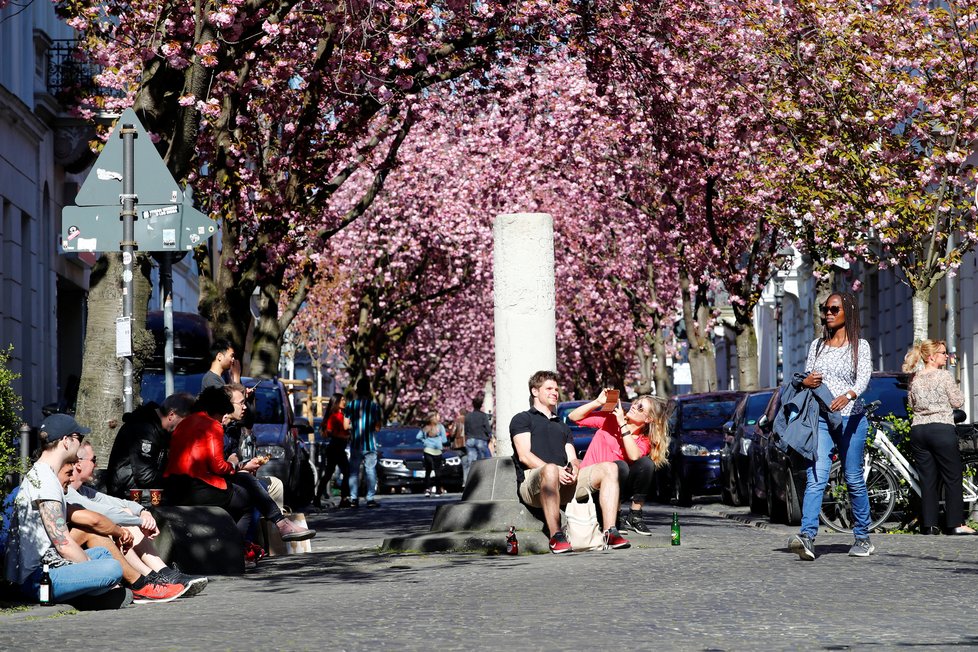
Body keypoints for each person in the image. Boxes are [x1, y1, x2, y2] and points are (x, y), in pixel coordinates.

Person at [3, 414, 131, 608]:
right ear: (65, 441)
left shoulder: (45, 474)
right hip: (39, 578)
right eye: (78, 438)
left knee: (103, 554)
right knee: (112, 568)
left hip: (52, 566)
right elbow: (63, 544)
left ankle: (89, 594)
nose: (80, 445)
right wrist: (89, 566)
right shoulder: (45, 482)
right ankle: (88, 596)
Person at [164, 386, 315, 546]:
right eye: (223, 413)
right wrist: (237, 464)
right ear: (218, 410)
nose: (223, 418)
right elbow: (219, 467)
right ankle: (240, 548)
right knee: (246, 499)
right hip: (198, 488)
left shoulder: (186, 422)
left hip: (174, 485)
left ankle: (281, 524)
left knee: (245, 480)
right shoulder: (211, 425)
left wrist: (238, 468)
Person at [787, 291, 873, 561]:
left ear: (848, 311)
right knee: (816, 477)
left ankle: (863, 537)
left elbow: (863, 379)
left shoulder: (861, 346)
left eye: (834, 309)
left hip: (851, 419)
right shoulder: (817, 346)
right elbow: (809, 375)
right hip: (821, 419)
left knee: (853, 479)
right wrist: (806, 382)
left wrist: (848, 395)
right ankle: (807, 536)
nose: (828, 313)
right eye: (826, 309)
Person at [510, 370, 629, 554]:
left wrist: (574, 467)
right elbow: (524, 455)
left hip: (565, 482)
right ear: (535, 391)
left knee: (610, 468)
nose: (554, 393)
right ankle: (556, 536)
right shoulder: (523, 419)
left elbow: (573, 457)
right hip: (534, 483)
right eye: (549, 388)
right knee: (549, 469)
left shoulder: (562, 425)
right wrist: (555, 470)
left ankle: (610, 532)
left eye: (556, 389)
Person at [69, 442, 209, 596]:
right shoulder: (67, 492)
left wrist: (143, 512)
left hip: (88, 547)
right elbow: (104, 513)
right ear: (78, 464)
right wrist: (139, 521)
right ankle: (147, 580)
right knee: (118, 520)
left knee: (125, 512)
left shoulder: (84, 490)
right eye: (93, 460)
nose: (96, 465)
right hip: (70, 552)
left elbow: (121, 503)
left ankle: (161, 574)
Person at [568, 391, 671, 536]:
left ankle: (634, 515)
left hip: (612, 490)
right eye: (636, 403)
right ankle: (615, 516)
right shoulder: (610, 420)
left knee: (646, 464)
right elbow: (573, 417)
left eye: (640, 408)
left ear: (648, 419)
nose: (634, 407)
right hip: (590, 484)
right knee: (619, 466)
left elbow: (634, 456)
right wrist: (597, 402)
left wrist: (623, 425)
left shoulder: (643, 441)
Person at [902, 340, 976, 535]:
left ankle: (930, 525)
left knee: (928, 480)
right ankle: (955, 524)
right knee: (952, 477)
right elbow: (957, 401)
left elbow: (911, 403)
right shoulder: (944, 376)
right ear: (931, 356)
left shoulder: (915, 377)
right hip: (941, 429)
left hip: (919, 431)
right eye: (943, 353)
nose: (946, 356)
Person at [104, 392, 196, 498]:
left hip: (139, 489)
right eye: (185, 422)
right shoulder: (144, 428)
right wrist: (178, 480)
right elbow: (145, 476)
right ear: (171, 415)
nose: (187, 428)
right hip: (128, 492)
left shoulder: (161, 430)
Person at [346, 378, 383, 508]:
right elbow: (378, 427)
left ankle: (354, 498)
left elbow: (346, 425)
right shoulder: (374, 407)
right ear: (368, 390)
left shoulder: (350, 406)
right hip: (370, 444)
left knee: (354, 472)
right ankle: (370, 498)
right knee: (371, 470)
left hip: (356, 443)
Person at [315, 392, 351, 508]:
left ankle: (342, 498)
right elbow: (330, 432)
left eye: (345, 400)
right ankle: (341, 498)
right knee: (335, 473)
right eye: (342, 400)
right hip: (335, 448)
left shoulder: (342, 415)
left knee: (338, 473)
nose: (344, 402)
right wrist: (345, 436)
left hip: (340, 447)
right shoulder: (334, 416)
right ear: (336, 402)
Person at [417, 413, 448, 497]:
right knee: (437, 471)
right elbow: (445, 440)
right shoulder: (440, 427)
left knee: (428, 471)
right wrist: (439, 440)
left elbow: (418, 437)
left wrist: (425, 441)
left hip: (428, 450)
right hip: (437, 451)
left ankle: (427, 490)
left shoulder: (425, 427)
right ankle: (438, 490)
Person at [464, 396, 493, 484]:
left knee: (471, 461)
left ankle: (469, 481)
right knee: (486, 460)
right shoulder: (483, 416)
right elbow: (488, 429)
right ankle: (485, 479)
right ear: (481, 405)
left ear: (472, 405)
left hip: (470, 439)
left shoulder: (468, 416)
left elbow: (466, 430)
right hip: (481, 439)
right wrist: (490, 436)